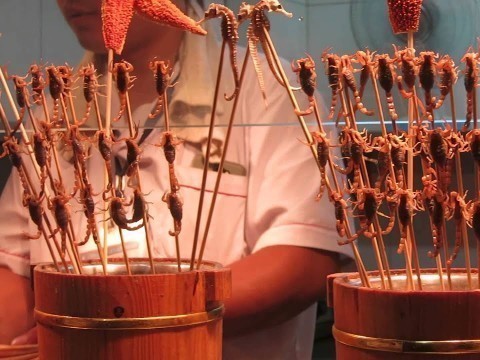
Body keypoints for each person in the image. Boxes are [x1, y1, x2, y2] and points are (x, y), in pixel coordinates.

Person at [0, 0, 352, 358]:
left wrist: (128, 320)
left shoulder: (264, 91)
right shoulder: (48, 117)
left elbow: (304, 261)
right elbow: (11, 264)